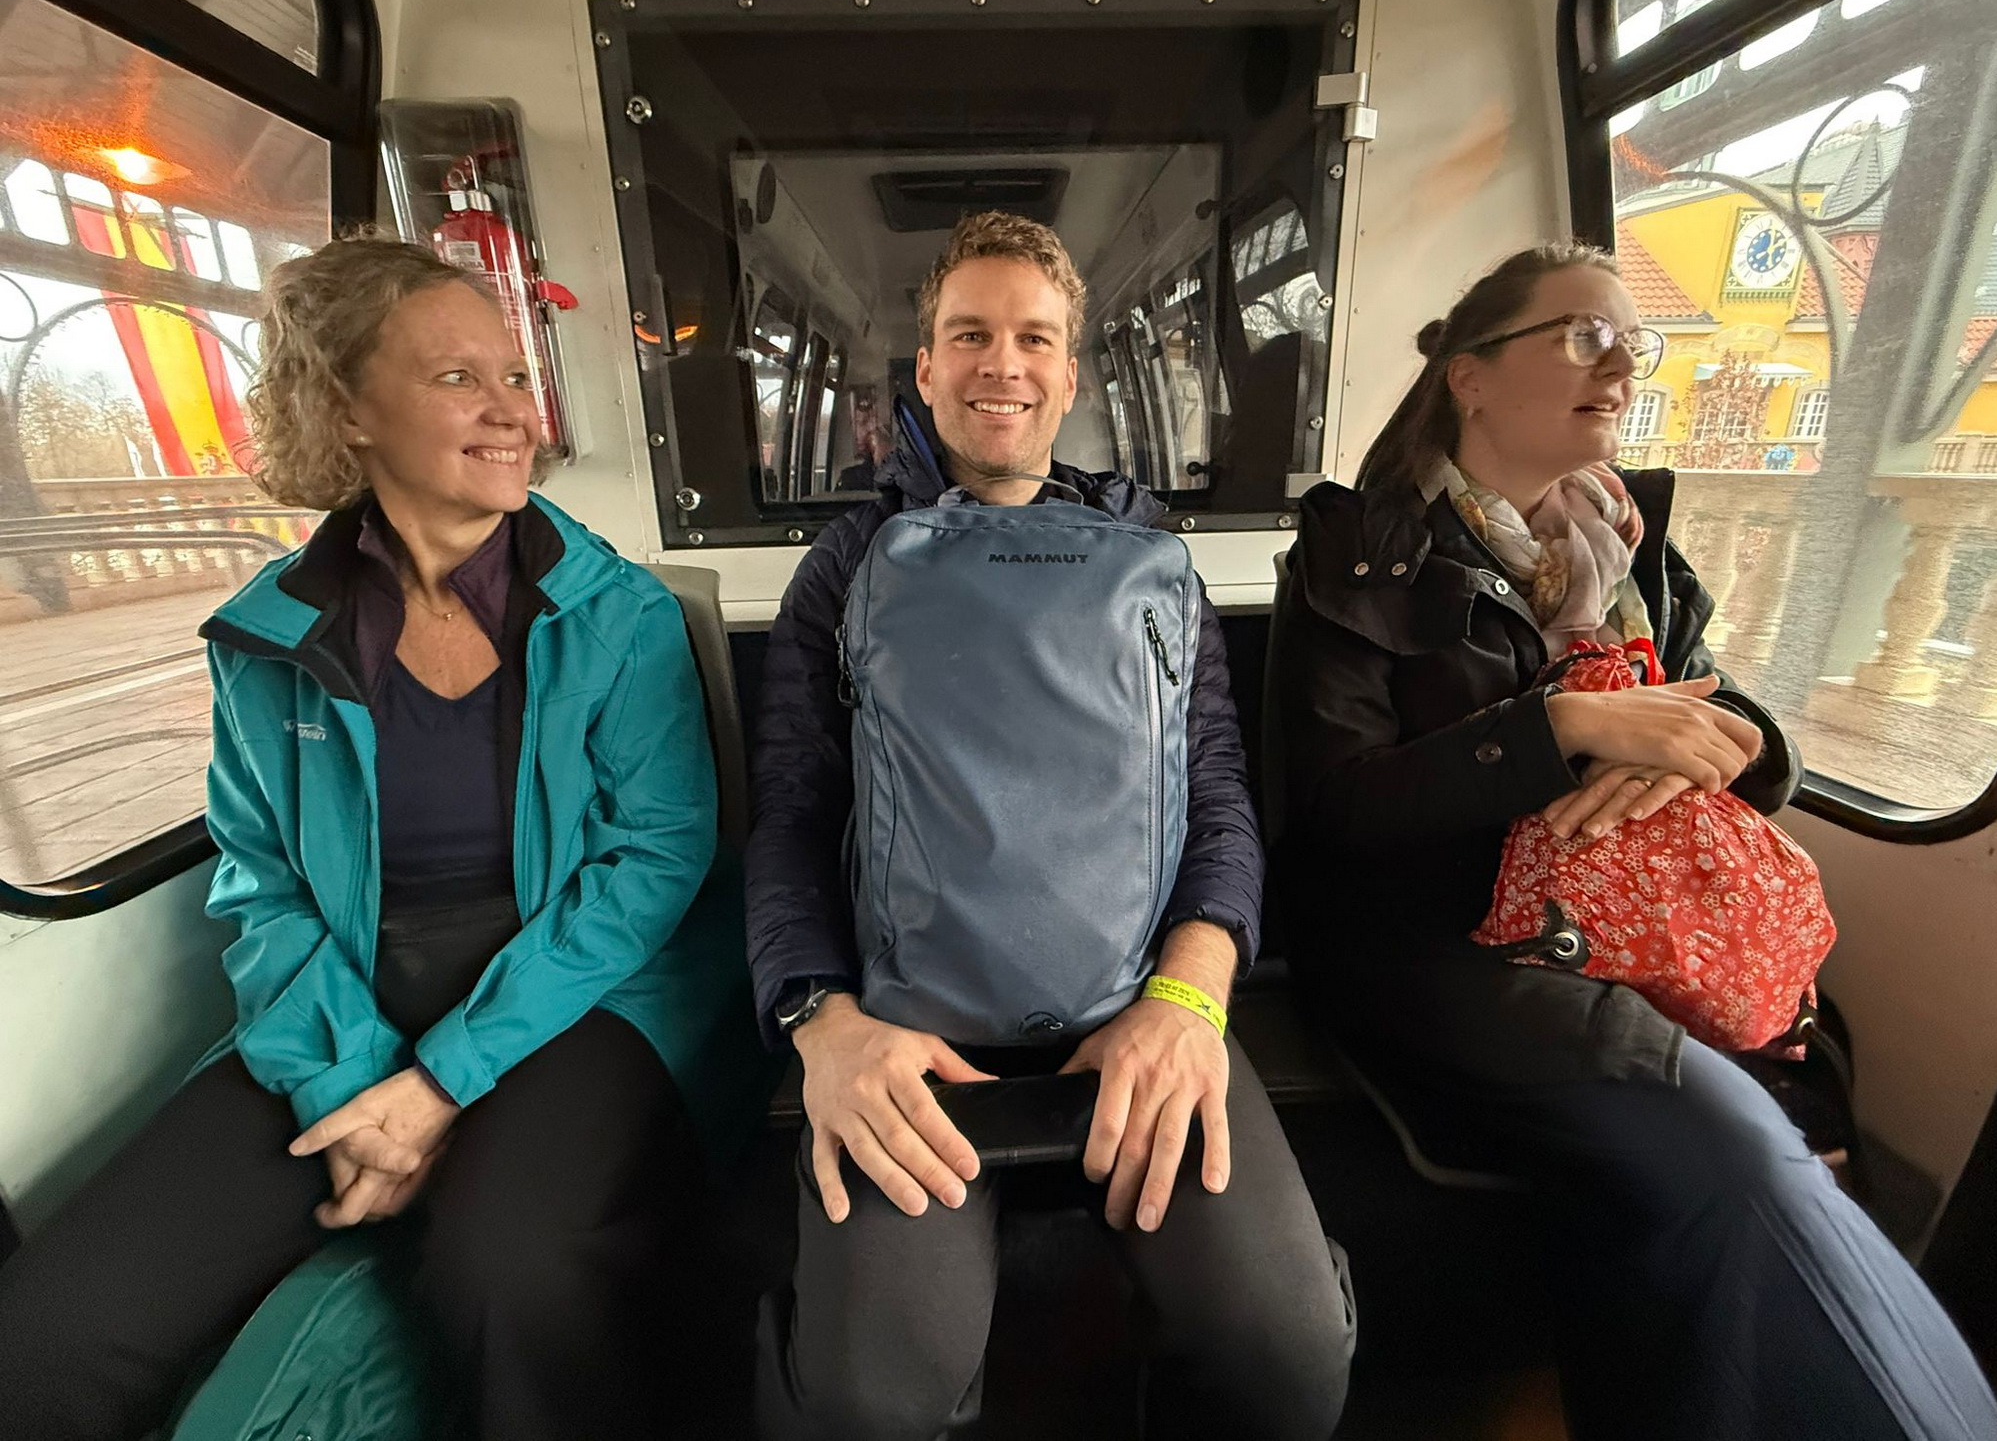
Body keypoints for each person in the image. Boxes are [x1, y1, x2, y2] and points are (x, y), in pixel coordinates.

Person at [0, 236, 756, 1440]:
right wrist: (352, 1084)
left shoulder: (614, 615)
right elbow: (263, 887)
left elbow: (653, 861)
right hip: (348, 986)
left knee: (508, 1267)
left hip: (579, 984)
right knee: (59, 1327)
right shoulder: (267, 641)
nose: (510, 410)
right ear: (346, 410)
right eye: (457, 378)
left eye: (514, 376)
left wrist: (439, 1083)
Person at [1271, 240, 1997, 1440]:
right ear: (1468, 375)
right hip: (1441, 940)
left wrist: (1708, 750)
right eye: (1582, 336)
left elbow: (1734, 718)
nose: (1618, 366)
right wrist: (1560, 726)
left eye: (1631, 342)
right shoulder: (1358, 557)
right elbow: (1336, 813)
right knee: (1729, 1142)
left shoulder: (1626, 546)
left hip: (1625, 923)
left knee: (1803, 1081)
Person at [746, 211, 1350, 1441]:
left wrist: (1188, 1000)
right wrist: (823, 1023)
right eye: (968, 335)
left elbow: (1217, 805)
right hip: (907, 1026)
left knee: (1286, 1354)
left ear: (1071, 376)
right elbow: (793, 819)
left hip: (1138, 1003)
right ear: (925, 368)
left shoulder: (1151, 566)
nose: (1001, 365)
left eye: (1032, 339)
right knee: (870, 1401)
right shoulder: (845, 568)